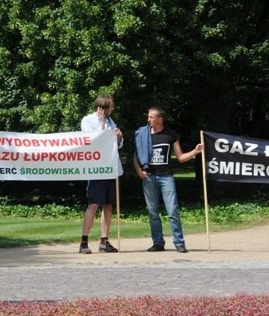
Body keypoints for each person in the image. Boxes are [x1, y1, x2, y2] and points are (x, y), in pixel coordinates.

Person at [133, 106, 203, 253]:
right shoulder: (143, 134)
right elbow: (136, 157)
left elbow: (180, 157)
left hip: (167, 177)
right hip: (149, 177)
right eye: (148, 117)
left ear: (160, 119)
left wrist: (195, 152)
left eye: (151, 117)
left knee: (172, 210)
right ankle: (158, 243)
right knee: (153, 212)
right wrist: (139, 171)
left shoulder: (171, 135)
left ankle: (179, 242)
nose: (148, 120)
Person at [79, 93, 123, 254]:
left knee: (109, 205)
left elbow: (117, 145)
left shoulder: (112, 121)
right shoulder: (88, 120)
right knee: (93, 204)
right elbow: (92, 140)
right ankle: (84, 241)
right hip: (97, 169)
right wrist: (103, 125)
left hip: (111, 168)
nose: (112, 109)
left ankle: (104, 241)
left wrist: (119, 137)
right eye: (110, 106)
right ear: (102, 108)